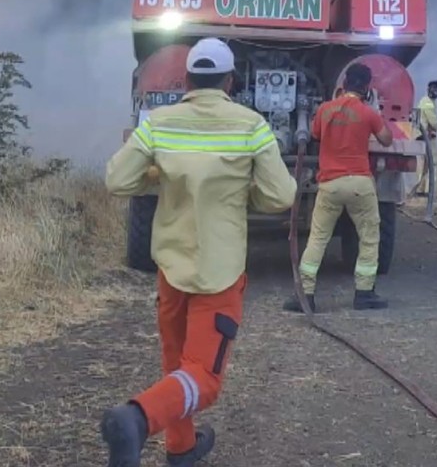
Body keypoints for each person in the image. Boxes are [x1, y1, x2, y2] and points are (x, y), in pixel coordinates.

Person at [99, 37, 299, 467]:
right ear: (229, 81)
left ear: (187, 78)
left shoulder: (160, 123)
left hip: (171, 267)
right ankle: (134, 419)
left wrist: (159, 174)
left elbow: (118, 181)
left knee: (177, 364)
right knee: (204, 378)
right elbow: (281, 195)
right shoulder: (250, 125)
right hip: (219, 270)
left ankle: (181, 448)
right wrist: (245, 194)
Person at [284, 63, 393, 313]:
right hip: (359, 184)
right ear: (366, 87)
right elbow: (387, 140)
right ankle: (364, 294)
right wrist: (374, 115)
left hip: (329, 184)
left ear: (343, 83)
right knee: (368, 236)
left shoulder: (324, 109)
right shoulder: (367, 113)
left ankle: (306, 296)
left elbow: (315, 134)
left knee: (318, 238)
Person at [413, 80, 437, 196]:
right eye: (433, 88)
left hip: (420, 135)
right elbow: (433, 122)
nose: (435, 91)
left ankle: (420, 189)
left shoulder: (424, 101)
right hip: (425, 136)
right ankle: (428, 190)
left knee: (424, 163)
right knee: (434, 162)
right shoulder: (428, 103)